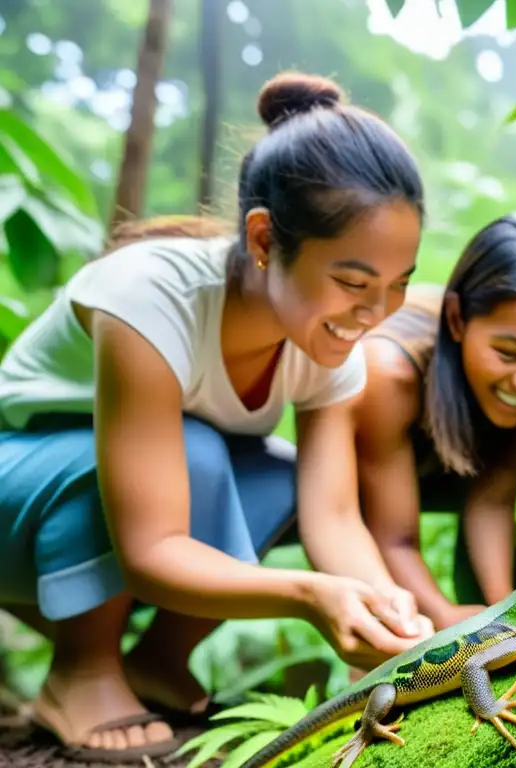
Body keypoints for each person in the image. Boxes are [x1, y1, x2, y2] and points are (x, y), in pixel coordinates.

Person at [0, 71, 435, 762]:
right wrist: (310, 595)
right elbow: (149, 552)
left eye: (398, 286)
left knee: (280, 478)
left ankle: (158, 662)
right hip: (18, 496)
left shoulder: (330, 344)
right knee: (199, 452)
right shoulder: (149, 297)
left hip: (108, 507)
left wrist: (390, 620)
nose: (375, 313)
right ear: (264, 239)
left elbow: (333, 516)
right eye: (353, 282)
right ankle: (80, 672)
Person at [351, 212, 516, 631]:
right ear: (457, 320)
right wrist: (442, 616)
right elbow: (392, 536)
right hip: (340, 482)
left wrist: (510, 614)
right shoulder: (389, 373)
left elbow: (493, 498)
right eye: (509, 353)